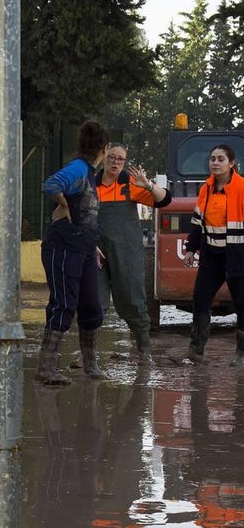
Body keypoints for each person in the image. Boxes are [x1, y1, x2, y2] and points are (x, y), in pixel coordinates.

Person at [35, 120, 108, 385]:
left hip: (84, 247)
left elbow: (85, 215)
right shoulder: (78, 168)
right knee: (63, 304)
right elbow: (51, 185)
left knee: (91, 307)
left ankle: (90, 364)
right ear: (104, 147)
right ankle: (46, 367)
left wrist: (93, 245)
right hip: (64, 246)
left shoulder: (89, 172)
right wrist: (65, 204)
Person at [95, 143, 172, 365]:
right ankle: (89, 356)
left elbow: (165, 200)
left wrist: (147, 185)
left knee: (132, 299)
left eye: (120, 159)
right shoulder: (91, 184)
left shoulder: (130, 184)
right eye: (112, 157)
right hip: (95, 252)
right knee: (94, 302)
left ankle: (144, 351)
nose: (116, 162)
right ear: (104, 157)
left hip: (126, 252)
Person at [184, 144, 244, 365]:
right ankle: (195, 352)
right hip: (212, 256)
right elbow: (197, 222)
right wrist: (191, 248)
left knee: (242, 304)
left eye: (220, 159)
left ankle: (242, 355)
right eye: (212, 159)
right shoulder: (205, 189)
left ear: (231, 164)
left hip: (238, 256)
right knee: (200, 298)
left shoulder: (242, 188)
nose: (215, 163)